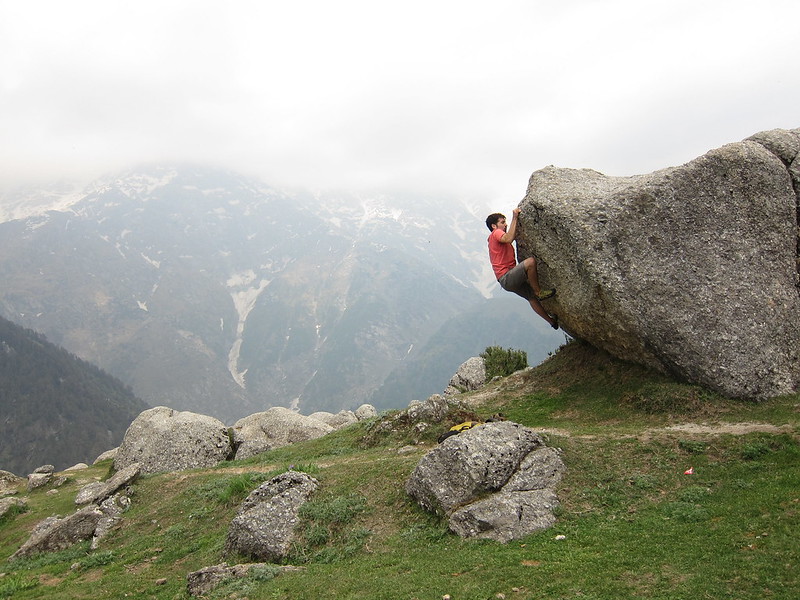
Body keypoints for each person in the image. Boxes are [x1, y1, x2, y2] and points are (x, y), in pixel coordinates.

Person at [486, 208, 559, 329]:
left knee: (531, 298)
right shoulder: (496, 233)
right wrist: (515, 217)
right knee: (530, 262)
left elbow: (510, 236)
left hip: (505, 281)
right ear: (494, 226)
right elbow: (509, 238)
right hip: (507, 277)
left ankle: (552, 322)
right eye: (502, 222)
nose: (505, 224)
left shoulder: (495, 238)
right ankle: (539, 291)